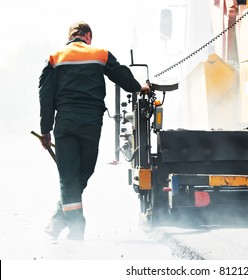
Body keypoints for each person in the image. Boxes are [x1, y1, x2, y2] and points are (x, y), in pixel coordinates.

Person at [38, 21, 150, 240]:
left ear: (70, 37)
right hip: (90, 124)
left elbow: (45, 95)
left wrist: (45, 130)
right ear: (88, 36)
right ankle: (76, 229)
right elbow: (122, 77)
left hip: (65, 124)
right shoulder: (100, 54)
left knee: (69, 178)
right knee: (83, 173)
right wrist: (140, 87)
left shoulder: (54, 58)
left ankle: (58, 220)